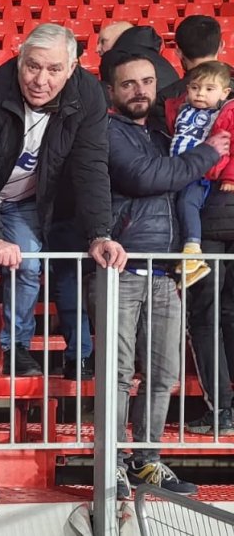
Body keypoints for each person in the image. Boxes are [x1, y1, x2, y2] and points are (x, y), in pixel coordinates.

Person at [0, 23, 125, 377]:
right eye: (32, 66)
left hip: (26, 199)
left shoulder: (88, 95)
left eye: (54, 69)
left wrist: (99, 233)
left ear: (72, 68)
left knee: (29, 265)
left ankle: (18, 348)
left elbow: (91, 165)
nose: (40, 79)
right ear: (19, 61)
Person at [103, 53, 222, 500]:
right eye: (129, 83)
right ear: (112, 91)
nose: (140, 90)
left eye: (148, 82)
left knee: (163, 372)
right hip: (122, 268)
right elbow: (146, 177)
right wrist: (209, 153)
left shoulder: (166, 131)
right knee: (117, 373)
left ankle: (146, 460)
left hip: (165, 270)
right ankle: (112, 462)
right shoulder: (108, 132)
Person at [152, 14, 234, 435]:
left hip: (202, 217)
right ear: (221, 48)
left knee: (205, 316)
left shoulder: (169, 97)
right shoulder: (224, 91)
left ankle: (221, 411)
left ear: (178, 54)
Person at [165, 61, 234, 286]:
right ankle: (185, 263)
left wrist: (229, 177)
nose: (200, 94)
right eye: (195, 87)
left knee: (187, 204)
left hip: (199, 173)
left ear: (225, 92)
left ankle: (193, 251)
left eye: (209, 89)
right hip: (175, 169)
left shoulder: (222, 114)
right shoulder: (181, 108)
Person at [98, 21, 179, 89]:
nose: (97, 49)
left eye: (103, 41)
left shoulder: (115, 58)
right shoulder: (158, 59)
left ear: (119, 38)